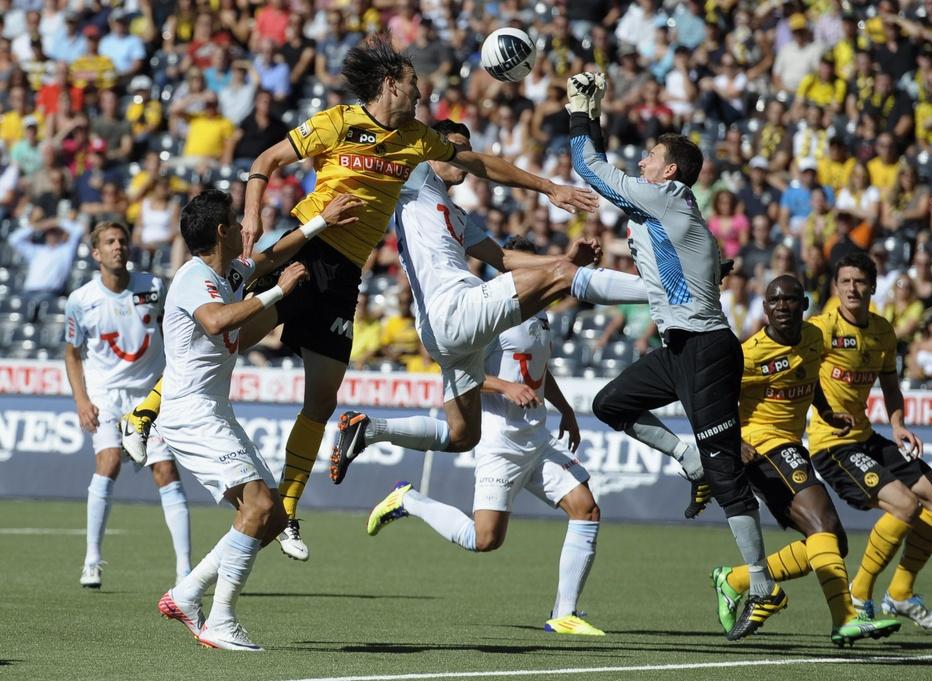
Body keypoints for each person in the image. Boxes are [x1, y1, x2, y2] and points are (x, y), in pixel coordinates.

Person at [122, 33, 597, 563]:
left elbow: (482, 164)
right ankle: (145, 411)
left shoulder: (418, 138)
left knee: (322, 401)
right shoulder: (338, 122)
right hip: (307, 243)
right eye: (415, 82)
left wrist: (548, 187)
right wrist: (254, 210)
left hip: (345, 275)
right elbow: (267, 158)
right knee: (227, 339)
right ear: (392, 83)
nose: (422, 90)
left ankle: (288, 509)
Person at [564, 72, 784, 641]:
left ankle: (761, 585)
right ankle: (688, 460)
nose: (642, 163)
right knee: (611, 403)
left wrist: (580, 113)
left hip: (706, 350)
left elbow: (591, 171)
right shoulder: (666, 208)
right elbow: (625, 192)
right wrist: (596, 113)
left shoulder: (666, 201)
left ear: (671, 172)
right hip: (679, 348)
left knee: (727, 471)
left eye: (651, 157)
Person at [330, 120, 654, 492]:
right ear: (434, 150)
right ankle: (661, 290)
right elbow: (485, 165)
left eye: (467, 148)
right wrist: (550, 189)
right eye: (456, 148)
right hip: (452, 308)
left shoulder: (455, 215)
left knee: (462, 435)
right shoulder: (417, 179)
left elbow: (503, 259)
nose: (463, 157)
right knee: (564, 278)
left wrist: (561, 260)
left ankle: (369, 429)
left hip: (444, 331)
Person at [364, 236, 605, 636]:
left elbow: (537, 370)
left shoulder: (540, 313)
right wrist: (505, 388)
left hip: (536, 437)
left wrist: (563, 408)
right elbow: (461, 373)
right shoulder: (489, 310)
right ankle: (408, 499)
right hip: (499, 440)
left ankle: (565, 613)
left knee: (586, 509)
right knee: (485, 539)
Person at [155, 189, 362, 651]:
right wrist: (279, 293)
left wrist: (320, 223)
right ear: (223, 232)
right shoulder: (194, 278)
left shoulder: (225, 270)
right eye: (237, 219)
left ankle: (187, 593)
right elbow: (216, 321)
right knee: (261, 508)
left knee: (270, 518)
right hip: (191, 415)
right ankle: (220, 620)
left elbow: (270, 257)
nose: (248, 224)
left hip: (211, 411)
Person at [710, 275, 901, 647]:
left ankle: (735, 580)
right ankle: (845, 619)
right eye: (775, 301)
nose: (783, 306)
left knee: (833, 541)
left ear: (805, 305)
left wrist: (827, 414)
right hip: (761, 447)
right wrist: (734, 441)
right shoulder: (749, 354)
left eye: (791, 300)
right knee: (823, 524)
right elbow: (714, 402)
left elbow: (809, 380)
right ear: (764, 308)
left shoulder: (814, 339)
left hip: (791, 446)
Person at [808, 252, 932, 630]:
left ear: (873, 287)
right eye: (845, 282)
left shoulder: (883, 330)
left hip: (868, 438)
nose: (853, 288)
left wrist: (898, 424)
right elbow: (800, 378)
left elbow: (890, 383)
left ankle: (902, 592)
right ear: (836, 287)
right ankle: (860, 592)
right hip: (833, 445)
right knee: (905, 506)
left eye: (860, 282)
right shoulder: (820, 330)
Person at [64, 222, 192, 590]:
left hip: (150, 395)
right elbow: (72, 354)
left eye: (122, 240)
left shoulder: (153, 288)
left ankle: (184, 571)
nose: (118, 246)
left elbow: (175, 332)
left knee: (165, 471)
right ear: (96, 253)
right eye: (109, 242)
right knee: (109, 462)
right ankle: (92, 560)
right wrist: (81, 400)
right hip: (106, 395)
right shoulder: (81, 299)